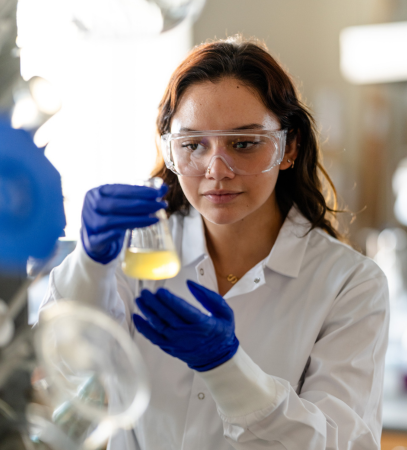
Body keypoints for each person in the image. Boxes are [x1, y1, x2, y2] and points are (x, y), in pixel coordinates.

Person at [42, 35, 389, 450]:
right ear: (170, 150)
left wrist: (227, 368)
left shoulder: (350, 285)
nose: (216, 170)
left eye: (244, 144)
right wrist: (91, 263)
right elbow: (63, 367)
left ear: (289, 146)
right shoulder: (136, 256)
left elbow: (341, 443)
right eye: (193, 145)